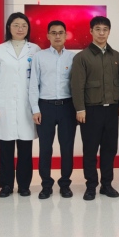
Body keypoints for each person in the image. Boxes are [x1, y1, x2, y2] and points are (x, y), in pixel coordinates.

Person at [71, 16, 119, 201]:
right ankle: (91, 186)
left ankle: (107, 184)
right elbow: (77, 85)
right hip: (90, 111)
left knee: (110, 149)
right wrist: (80, 109)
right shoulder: (82, 57)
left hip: (111, 110)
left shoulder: (116, 56)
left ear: (109, 32)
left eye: (105, 30)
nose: (101, 33)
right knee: (90, 150)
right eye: (98, 29)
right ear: (91, 31)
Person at [0, 12, 40, 198]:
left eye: (24, 25)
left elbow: (38, 80)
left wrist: (37, 106)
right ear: (9, 28)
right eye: (16, 25)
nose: (20, 29)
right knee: (5, 148)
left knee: (25, 148)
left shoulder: (35, 49)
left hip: (27, 105)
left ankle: (24, 185)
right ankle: (6, 185)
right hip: (4, 106)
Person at [29, 20, 76, 200]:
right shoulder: (39, 57)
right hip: (45, 107)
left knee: (67, 147)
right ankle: (46, 185)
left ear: (65, 35)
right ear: (48, 35)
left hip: (67, 107)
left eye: (60, 32)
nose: (57, 36)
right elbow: (33, 84)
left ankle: (65, 184)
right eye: (54, 32)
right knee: (45, 148)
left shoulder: (73, 57)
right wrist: (35, 109)